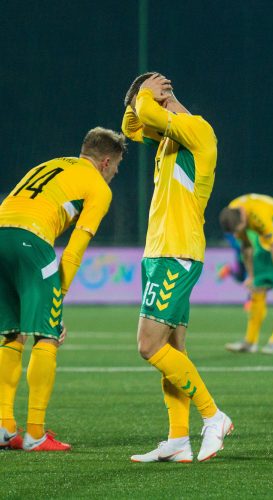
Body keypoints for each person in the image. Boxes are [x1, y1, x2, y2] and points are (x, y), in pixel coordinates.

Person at [121, 72, 233, 463]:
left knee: (147, 345)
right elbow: (131, 125)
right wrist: (143, 95)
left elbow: (145, 114)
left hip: (177, 250)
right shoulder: (168, 139)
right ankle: (178, 440)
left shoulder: (198, 130)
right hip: (159, 252)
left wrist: (149, 96)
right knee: (173, 349)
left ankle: (213, 416)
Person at [0, 127, 126, 451]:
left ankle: (3, 427)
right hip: (32, 240)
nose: (115, 174)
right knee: (47, 335)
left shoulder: (51, 164)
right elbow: (74, 249)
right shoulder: (97, 186)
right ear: (106, 162)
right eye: (116, 167)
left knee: (12, 334)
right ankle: (35, 434)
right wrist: (59, 299)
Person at [220, 194, 273, 354]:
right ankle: (250, 342)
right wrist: (250, 275)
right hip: (264, 241)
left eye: (239, 229)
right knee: (257, 287)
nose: (238, 234)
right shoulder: (234, 211)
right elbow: (246, 246)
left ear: (243, 216)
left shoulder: (259, 214)